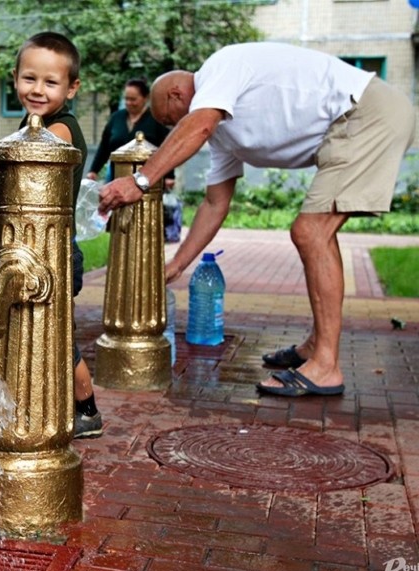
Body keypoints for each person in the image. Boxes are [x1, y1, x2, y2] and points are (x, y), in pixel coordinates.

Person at [98, 41, 414, 398]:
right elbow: (216, 203)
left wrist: (141, 180)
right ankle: (317, 347)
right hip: (354, 122)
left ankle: (326, 366)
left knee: (311, 233)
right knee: (314, 234)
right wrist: (178, 264)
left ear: (176, 94)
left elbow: (197, 125)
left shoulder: (219, 69)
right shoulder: (221, 131)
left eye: (173, 121)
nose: (176, 130)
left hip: (365, 113)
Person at [0, 32, 103, 439]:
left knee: (58, 338)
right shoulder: (30, 123)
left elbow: (5, 151)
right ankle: (28, 401)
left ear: (72, 88)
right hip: (25, 247)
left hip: (53, 253)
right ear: (15, 78)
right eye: (29, 79)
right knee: (37, 332)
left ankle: (85, 405)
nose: (37, 90)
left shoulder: (61, 130)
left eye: (50, 82)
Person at [86, 77, 173, 188]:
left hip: (147, 179)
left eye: (133, 99)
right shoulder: (116, 118)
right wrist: (93, 170)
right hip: (116, 176)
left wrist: (170, 175)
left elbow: (167, 148)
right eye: (126, 99)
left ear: (145, 98)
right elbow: (104, 147)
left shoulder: (156, 119)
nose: (128, 103)